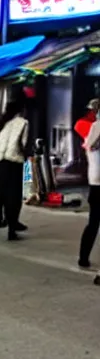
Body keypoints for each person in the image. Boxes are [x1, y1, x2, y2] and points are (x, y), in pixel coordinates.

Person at [0, 95, 30, 241]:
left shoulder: (3, 123)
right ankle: (12, 229)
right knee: (15, 197)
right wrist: (27, 155)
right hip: (14, 161)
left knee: (4, 193)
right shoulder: (23, 123)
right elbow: (22, 143)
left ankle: (1, 214)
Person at [78, 108, 100, 268]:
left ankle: (83, 258)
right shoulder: (96, 127)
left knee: (93, 222)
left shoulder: (94, 128)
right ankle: (83, 257)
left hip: (95, 183)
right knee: (93, 222)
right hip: (97, 183)